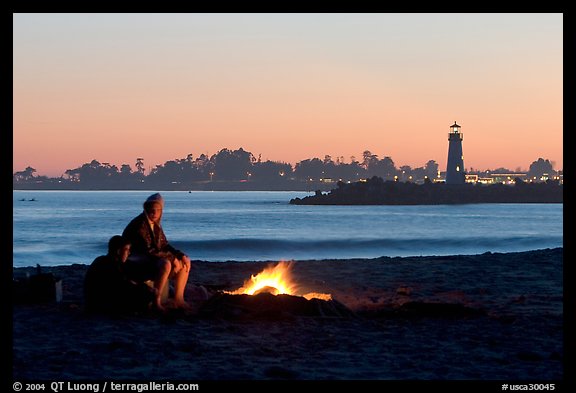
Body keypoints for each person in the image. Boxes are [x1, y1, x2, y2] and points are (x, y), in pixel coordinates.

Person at [122, 193, 191, 310]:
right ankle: (156, 300)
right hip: (135, 258)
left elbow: (164, 245)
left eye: (158, 210)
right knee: (166, 264)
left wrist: (180, 255)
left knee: (184, 262)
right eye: (152, 210)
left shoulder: (155, 224)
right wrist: (171, 258)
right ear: (146, 209)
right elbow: (149, 250)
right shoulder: (141, 224)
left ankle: (178, 299)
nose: (154, 213)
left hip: (149, 257)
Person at [84, 235, 155, 314]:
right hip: (101, 302)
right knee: (145, 293)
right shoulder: (109, 264)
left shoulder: (106, 260)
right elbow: (122, 284)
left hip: (94, 299)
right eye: (127, 250)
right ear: (118, 251)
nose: (129, 253)